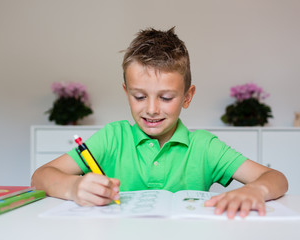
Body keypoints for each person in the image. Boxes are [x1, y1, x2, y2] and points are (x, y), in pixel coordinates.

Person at [31, 27, 288, 219]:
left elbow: (275, 178)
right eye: (139, 96)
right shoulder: (112, 138)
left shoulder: (204, 146)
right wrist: (74, 187)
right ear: (126, 92)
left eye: (165, 97)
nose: (151, 109)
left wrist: (257, 191)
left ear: (187, 97)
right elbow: (40, 177)